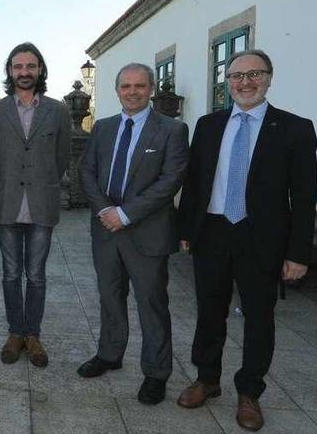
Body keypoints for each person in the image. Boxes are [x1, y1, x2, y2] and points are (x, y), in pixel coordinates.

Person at [177, 49, 317, 431]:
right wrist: (187, 229)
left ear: (269, 78)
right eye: (237, 76)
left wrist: (298, 253)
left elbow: (303, 197)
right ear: (228, 82)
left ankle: (249, 392)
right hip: (213, 231)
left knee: (259, 318)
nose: (245, 82)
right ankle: (207, 379)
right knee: (208, 313)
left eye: (254, 74)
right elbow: (195, 183)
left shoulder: (295, 128)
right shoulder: (208, 125)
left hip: (262, 239)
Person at [78, 63, 189, 404]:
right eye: (126, 86)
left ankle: (156, 373)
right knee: (110, 296)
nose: (133, 91)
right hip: (105, 231)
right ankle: (110, 354)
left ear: (151, 88)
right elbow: (88, 171)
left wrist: (125, 214)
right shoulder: (103, 127)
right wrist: (104, 211)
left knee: (151, 303)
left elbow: (170, 180)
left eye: (140, 85)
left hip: (147, 232)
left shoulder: (172, 130)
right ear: (117, 91)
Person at [0, 42, 71, 367]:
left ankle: (33, 335)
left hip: (42, 206)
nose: (24, 72)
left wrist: (42, 184)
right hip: (6, 204)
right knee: (9, 273)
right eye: (18, 67)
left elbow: (62, 157)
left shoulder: (58, 111)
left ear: (40, 70)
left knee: (37, 275)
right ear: (10, 71)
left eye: (30, 66)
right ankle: (15, 333)